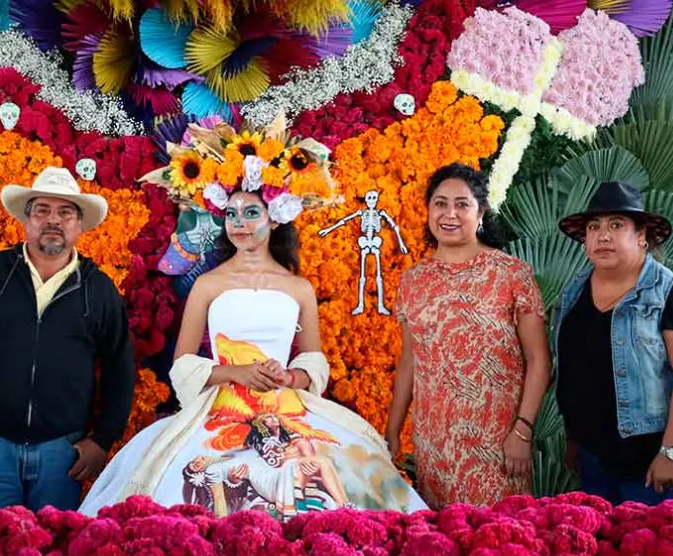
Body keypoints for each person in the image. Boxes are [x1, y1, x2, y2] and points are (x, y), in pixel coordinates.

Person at [81, 118, 426, 519]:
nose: (239, 224)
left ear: (275, 217)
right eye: (231, 214)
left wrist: (292, 378)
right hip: (223, 406)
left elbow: (312, 361)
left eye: (250, 213)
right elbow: (184, 364)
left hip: (288, 408)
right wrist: (236, 373)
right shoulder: (209, 284)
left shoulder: (298, 288)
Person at [0, 165, 135, 513]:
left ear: (79, 225)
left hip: (63, 455)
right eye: (42, 210)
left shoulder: (99, 290)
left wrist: (102, 440)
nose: (53, 220)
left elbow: (120, 366)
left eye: (65, 212)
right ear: (26, 220)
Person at [386, 163, 551, 508]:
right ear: (429, 210)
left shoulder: (511, 274)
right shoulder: (414, 281)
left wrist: (522, 430)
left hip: (499, 443)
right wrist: (392, 433)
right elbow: (409, 362)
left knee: (501, 546)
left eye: (462, 204)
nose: (450, 213)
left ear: (481, 213)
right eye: (440, 203)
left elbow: (539, 359)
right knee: (443, 548)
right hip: (435, 445)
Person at [553, 181, 673, 506]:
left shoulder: (669, 292)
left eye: (616, 225)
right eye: (594, 227)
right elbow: (573, 371)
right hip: (593, 460)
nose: (603, 235)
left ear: (641, 236)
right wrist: (573, 438)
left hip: (650, 465)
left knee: (650, 553)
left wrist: (672, 452)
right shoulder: (574, 291)